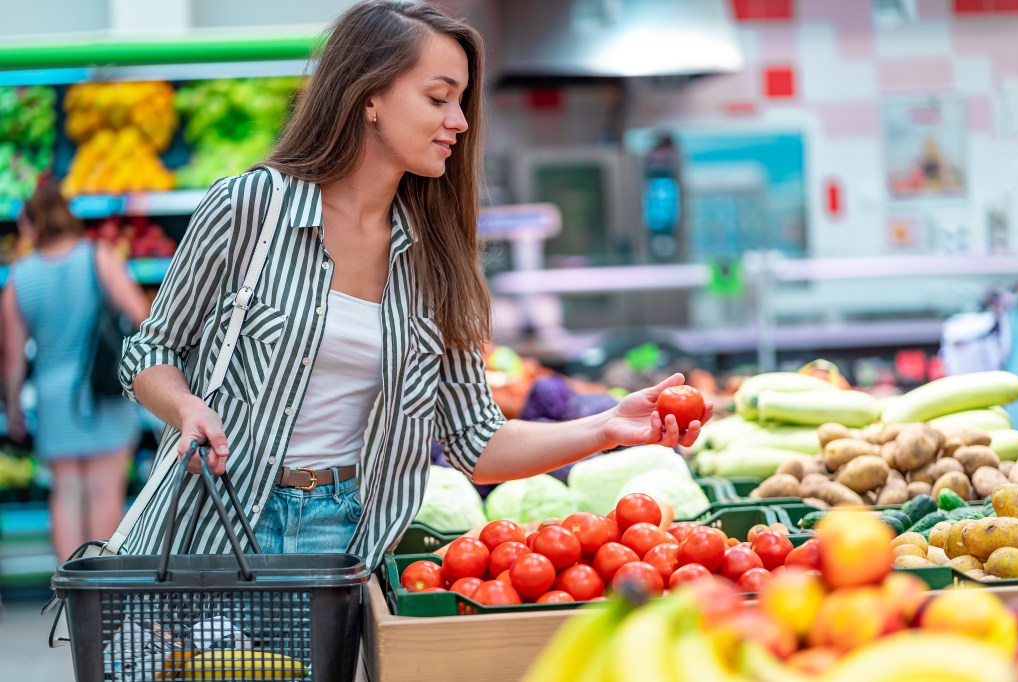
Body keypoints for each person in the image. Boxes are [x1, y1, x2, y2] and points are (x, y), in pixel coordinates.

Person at [118, 0, 712, 569]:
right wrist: (186, 405)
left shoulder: (434, 259)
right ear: (370, 96)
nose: (458, 122)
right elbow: (151, 348)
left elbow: (476, 443)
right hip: (216, 523)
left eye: (461, 103)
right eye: (438, 98)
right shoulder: (251, 208)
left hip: (346, 538)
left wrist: (606, 425)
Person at [1, 179, 150, 561]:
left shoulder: (20, 278)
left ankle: (70, 591)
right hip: (104, 393)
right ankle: (101, 593)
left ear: (33, 226)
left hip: (54, 400)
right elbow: (141, 315)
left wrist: (15, 410)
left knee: (65, 493)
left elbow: (12, 357)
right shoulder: (97, 256)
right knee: (105, 492)